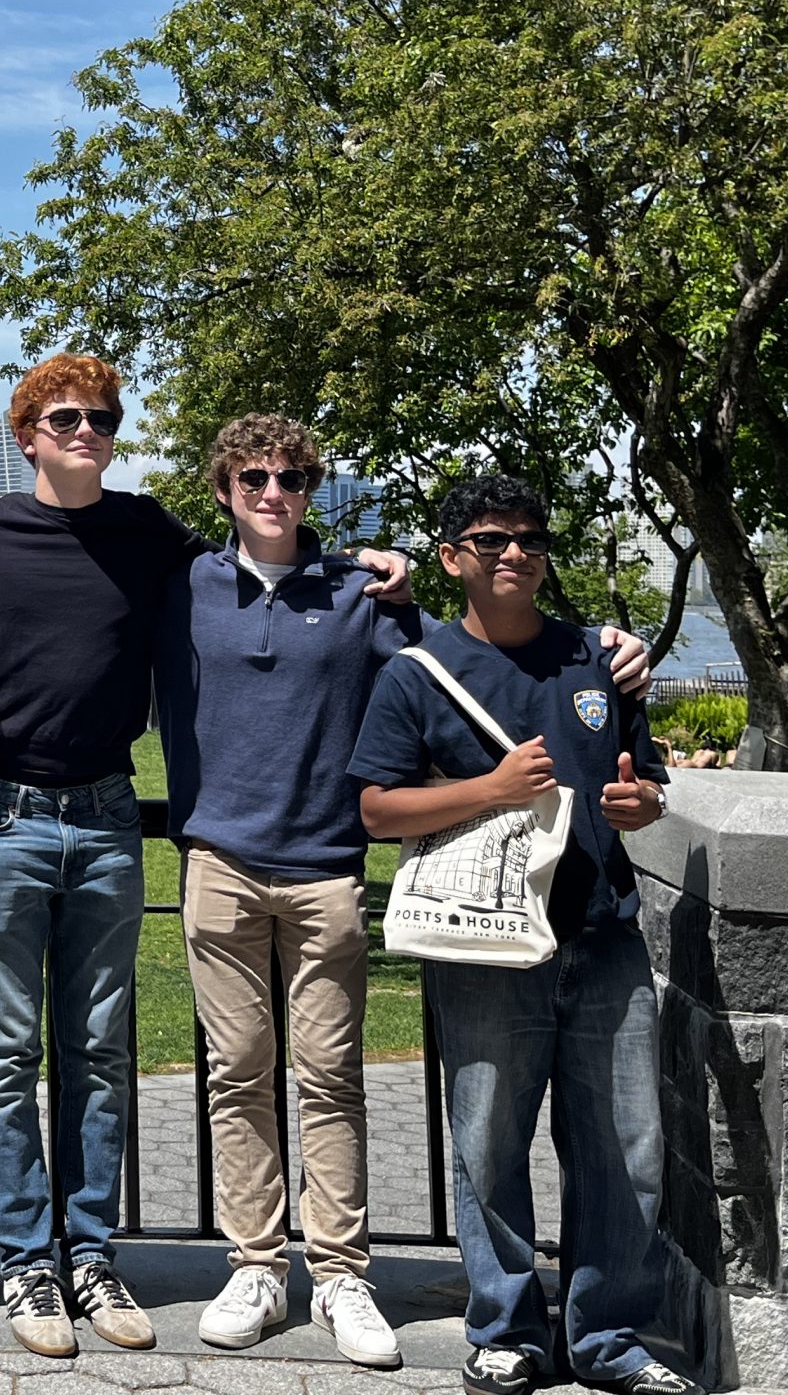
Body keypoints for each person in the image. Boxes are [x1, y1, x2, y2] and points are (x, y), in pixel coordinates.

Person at [0, 355, 415, 1357]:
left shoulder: (153, 537)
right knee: (10, 1054)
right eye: (63, 417)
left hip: (113, 817)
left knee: (102, 1055)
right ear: (24, 434)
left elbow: (283, 572)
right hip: (0, 818)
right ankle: (28, 1264)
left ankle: (93, 1254)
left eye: (101, 418)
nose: (85, 431)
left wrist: (387, 571)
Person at [158, 421, 652, 1367]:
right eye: (254, 476)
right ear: (223, 488)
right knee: (236, 1074)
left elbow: (482, 649)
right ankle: (257, 1263)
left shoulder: (365, 589)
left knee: (333, 1076)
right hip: (216, 858)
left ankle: (342, 1273)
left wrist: (611, 647)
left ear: (313, 486)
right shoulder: (179, 586)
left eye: (295, 475)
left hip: (331, 863)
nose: (275, 490)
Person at [351, 475, 695, 1395]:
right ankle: (506, 1327)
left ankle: (609, 1337)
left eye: (531, 540)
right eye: (492, 539)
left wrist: (641, 802)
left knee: (626, 1148)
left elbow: (648, 778)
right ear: (452, 556)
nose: (515, 554)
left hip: (604, 935)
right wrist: (491, 790)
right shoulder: (415, 672)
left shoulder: (599, 659)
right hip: (485, 947)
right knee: (488, 1141)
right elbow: (378, 809)